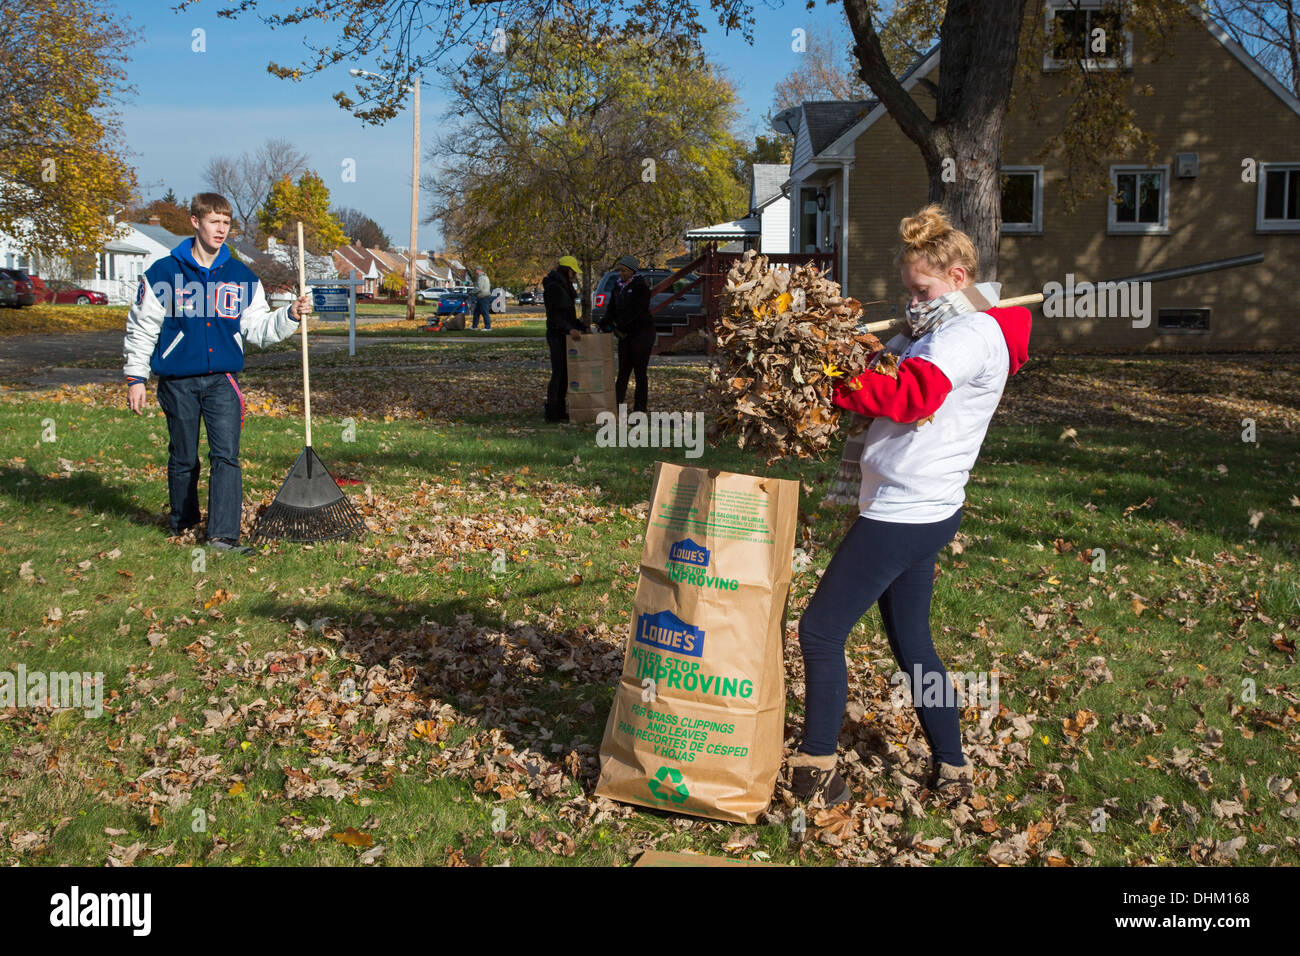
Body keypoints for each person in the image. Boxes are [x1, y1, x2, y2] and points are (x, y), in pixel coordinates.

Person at [787, 204, 1032, 806]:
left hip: (907, 510)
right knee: (913, 645)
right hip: (919, 505)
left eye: (921, 289)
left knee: (819, 631)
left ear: (956, 278)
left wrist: (832, 379)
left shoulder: (971, 332)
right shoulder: (934, 328)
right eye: (907, 290)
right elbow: (883, 364)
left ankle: (815, 770)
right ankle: (952, 767)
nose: (913, 300)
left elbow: (911, 396)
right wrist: (835, 350)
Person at [124, 192, 311, 554]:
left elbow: (256, 328)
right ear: (195, 222)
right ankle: (184, 522)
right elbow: (142, 327)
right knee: (183, 457)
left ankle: (223, 536)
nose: (221, 229)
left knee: (226, 455)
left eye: (226, 223)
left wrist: (289, 316)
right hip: (177, 380)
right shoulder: (163, 274)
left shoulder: (242, 277)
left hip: (223, 381)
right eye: (214, 222)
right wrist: (136, 377)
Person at [597, 254, 654, 413]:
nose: (621, 274)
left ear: (632, 271)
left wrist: (617, 324)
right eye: (619, 270)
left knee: (640, 372)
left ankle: (640, 409)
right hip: (625, 336)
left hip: (642, 334)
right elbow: (611, 309)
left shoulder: (640, 287)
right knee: (623, 372)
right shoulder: (618, 287)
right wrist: (604, 323)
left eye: (624, 271)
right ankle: (615, 406)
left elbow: (635, 311)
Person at [542, 255, 588, 422]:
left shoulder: (564, 286)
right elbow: (554, 316)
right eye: (573, 272)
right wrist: (569, 329)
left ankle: (560, 410)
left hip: (564, 334)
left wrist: (581, 327)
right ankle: (552, 411)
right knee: (559, 373)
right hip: (557, 335)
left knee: (565, 375)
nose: (574, 275)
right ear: (567, 270)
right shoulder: (555, 287)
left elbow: (568, 315)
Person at [472, 266, 492, 330]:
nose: (475, 271)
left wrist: (472, 292)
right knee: (476, 312)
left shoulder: (481, 278)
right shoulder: (485, 277)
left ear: (479, 270)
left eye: (476, 270)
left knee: (485, 312)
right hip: (481, 297)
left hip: (483, 297)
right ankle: (474, 326)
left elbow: (479, 288)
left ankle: (488, 327)